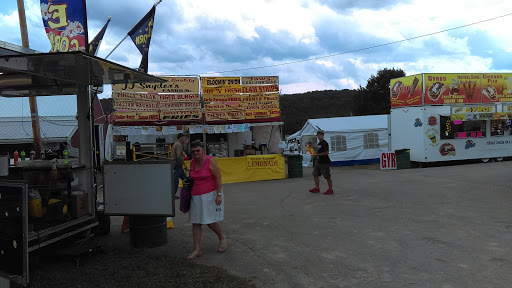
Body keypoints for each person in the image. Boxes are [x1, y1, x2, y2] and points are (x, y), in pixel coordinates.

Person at [186, 141, 227, 259]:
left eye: (197, 150)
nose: (195, 153)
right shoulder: (192, 162)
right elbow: (192, 177)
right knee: (196, 222)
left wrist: (219, 194)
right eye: (193, 151)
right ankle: (197, 249)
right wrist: (187, 183)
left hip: (210, 195)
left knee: (210, 222)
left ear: (203, 150)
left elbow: (218, 177)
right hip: (196, 196)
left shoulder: (210, 160)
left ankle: (221, 237)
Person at [309, 130, 334, 195]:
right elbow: (317, 151)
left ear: (323, 135)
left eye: (320, 135)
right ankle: (317, 188)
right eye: (318, 135)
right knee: (315, 174)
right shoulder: (319, 144)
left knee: (327, 176)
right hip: (319, 162)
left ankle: (330, 189)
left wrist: (317, 155)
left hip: (325, 162)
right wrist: (314, 154)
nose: (319, 136)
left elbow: (326, 153)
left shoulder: (325, 143)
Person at [171, 133, 188, 197]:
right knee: (176, 181)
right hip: (177, 164)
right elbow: (178, 155)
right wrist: (184, 164)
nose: (186, 140)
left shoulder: (176, 144)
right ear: (181, 139)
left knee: (185, 178)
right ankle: (172, 194)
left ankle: (188, 192)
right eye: (185, 139)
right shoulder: (178, 145)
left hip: (177, 164)